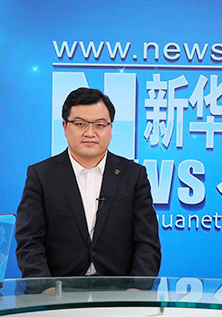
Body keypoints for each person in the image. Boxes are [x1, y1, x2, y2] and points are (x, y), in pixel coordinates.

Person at [15, 87, 161, 288]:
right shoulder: (41, 175)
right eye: (80, 124)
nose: (90, 133)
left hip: (120, 293)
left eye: (100, 125)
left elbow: (147, 244)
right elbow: (29, 242)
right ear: (65, 127)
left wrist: (136, 289)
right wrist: (45, 289)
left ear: (110, 129)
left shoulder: (133, 175)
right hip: (58, 293)